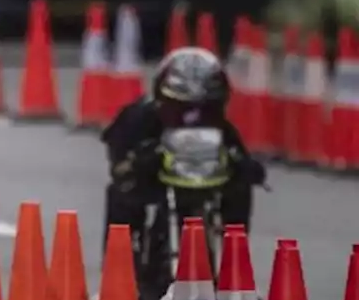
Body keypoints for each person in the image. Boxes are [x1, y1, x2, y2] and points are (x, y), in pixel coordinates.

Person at [100, 46, 267, 245]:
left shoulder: (220, 126)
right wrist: (134, 164)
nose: (191, 117)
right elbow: (118, 158)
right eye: (181, 107)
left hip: (203, 181)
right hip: (154, 181)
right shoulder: (139, 117)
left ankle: (235, 250)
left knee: (240, 188)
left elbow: (242, 157)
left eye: (201, 109)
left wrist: (247, 168)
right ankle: (120, 256)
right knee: (121, 195)